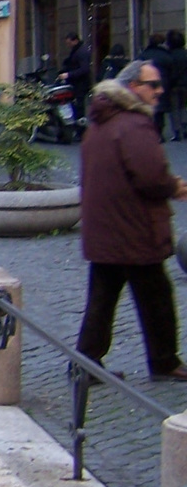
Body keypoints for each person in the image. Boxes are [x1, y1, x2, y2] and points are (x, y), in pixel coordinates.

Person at [75, 61, 187, 381]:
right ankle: (164, 362)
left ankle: (86, 363)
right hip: (134, 229)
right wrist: (174, 186)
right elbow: (150, 176)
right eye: (153, 85)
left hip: (106, 227)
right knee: (157, 298)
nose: (159, 91)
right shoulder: (134, 124)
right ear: (134, 87)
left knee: (102, 298)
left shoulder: (101, 121)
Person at [57, 31, 91, 136]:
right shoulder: (77, 50)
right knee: (76, 107)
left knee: (78, 107)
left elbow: (84, 69)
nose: (68, 45)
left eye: (69, 43)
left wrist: (69, 75)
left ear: (75, 41)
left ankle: (80, 131)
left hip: (80, 84)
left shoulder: (81, 52)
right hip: (76, 83)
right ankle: (78, 130)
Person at [141, 33, 174, 139]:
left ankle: (150, 131)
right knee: (160, 111)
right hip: (162, 84)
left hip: (147, 84)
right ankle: (159, 133)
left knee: (149, 109)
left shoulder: (144, 54)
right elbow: (172, 69)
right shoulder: (166, 55)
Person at [167, 30, 187, 141]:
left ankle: (177, 131)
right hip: (185, 84)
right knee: (183, 106)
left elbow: (171, 72)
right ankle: (185, 127)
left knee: (174, 108)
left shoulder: (170, 55)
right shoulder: (185, 54)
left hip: (174, 86)